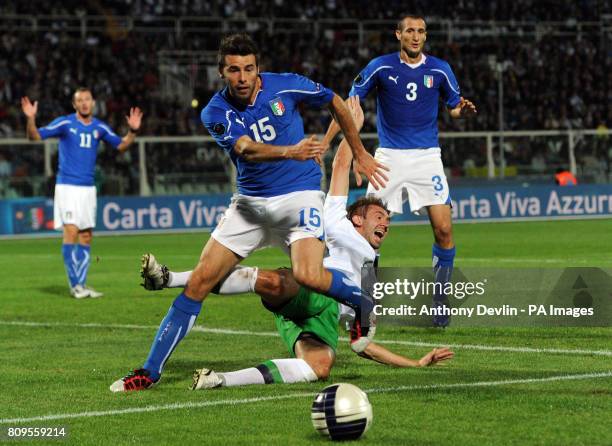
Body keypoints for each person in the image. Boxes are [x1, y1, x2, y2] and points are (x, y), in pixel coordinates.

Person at [110, 34, 387, 392]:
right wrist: (291, 151)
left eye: (249, 69)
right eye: (234, 70)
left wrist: (358, 149)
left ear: (259, 69)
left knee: (309, 276)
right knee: (198, 286)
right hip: (250, 205)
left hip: (298, 196)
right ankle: (148, 372)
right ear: (221, 72)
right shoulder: (215, 111)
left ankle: (363, 302)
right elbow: (245, 148)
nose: (242, 77)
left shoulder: (286, 85)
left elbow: (335, 101)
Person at [137, 97, 453, 390]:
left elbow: (363, 344)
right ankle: (170, 279)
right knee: (278, 281)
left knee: (320, 367)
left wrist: (415, 362)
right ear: (357, 218)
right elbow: (341, 165)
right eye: (379, 215)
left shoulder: (372, 272)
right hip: (312, 288)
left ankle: (218, 380)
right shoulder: (335, 218)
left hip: (324, 319)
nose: (386, 221)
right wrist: (351, 127)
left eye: (388, 219)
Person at [324, 15, 477, 327]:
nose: (416, 36)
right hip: (388, 157)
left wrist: (463, 110)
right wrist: (333, 144)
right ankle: (361, 302)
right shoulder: (380, 67)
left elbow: (453, 108)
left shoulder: (440, 69)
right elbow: (348, 106)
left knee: (444, 229)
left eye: (421, 31)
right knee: (366, 233)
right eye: (410, 31)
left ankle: (440, 301)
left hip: (427, 157)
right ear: (398, 34)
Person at [21, 89, 142, 298]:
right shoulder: (65, 124)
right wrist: (31, 119)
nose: (84, 103)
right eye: (80, 100)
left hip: (88, 188)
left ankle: (82, 285)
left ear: (93, 102)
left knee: (86, 235)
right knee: (71, 231)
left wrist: (132, 131)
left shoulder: (99, 127)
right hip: (67, 187)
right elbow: (34, 136)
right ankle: (75, 285)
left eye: (87, 99)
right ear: (74, 104)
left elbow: (121, 145)